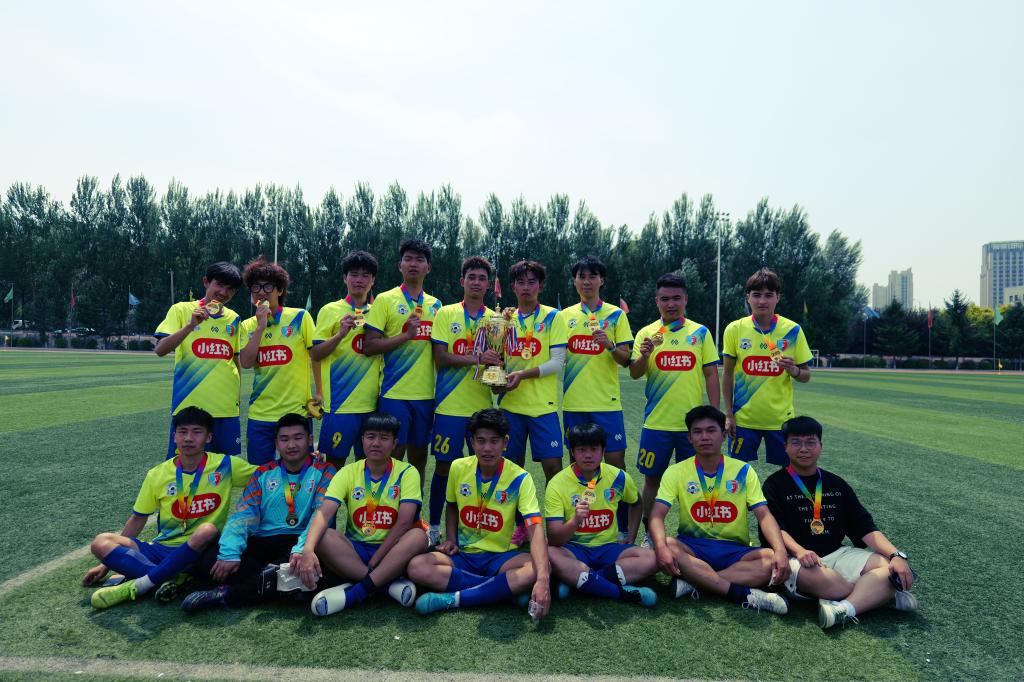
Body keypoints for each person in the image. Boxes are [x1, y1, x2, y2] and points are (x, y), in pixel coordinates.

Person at [82, 407, 258, 609]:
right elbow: (138, 518)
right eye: (183, 432)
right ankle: (172, 577)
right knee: (100, 542)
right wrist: (105, 564)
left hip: (202, 549)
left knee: (207, 530)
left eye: (197, 432)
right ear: (174, 436)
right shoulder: (157, 474)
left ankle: (145, 581)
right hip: (162, 548)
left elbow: (266, 476)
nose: (188, 438)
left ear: (209, 437)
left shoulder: (226, 465)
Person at [761, 416, 919, 629]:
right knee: (839, 584)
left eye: (810, 442)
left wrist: (895, 555)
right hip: (797, 557)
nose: (804, 449)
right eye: (796, 442)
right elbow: (775, 528)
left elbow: (865, 526)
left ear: (821, 446)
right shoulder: (774, 484)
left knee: (889, 568)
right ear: (785, 447)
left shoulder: (835, 483)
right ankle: (879, 595)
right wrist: (799, 551)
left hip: (837, 553)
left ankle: (843, 609)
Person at [179, 413, 336, 611]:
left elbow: (320, 515)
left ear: (310, 440)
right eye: (284, 439)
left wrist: (301, 548)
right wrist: (230, 553)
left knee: (314, 566)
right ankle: (278, 583)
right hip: (264, 541)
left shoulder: (325, 471)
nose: (291, 445)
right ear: (276, 443)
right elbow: (243, 515)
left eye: (298, 438)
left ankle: (229, 594)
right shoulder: (263, 472)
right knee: (211, 558)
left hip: (300, 542)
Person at [407, 408, 551, 618]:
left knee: (537, 569)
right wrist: (452, 538)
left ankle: (453, 599)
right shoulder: (458, 467)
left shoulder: (520, 478)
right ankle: (500, 590)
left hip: (501, 558)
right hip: (464, 555)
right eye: (481, 441)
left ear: (505, 443)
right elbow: (452, 505)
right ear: (472, 442)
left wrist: (543, 580)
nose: (487, 448)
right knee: (417, 567)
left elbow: (535, 527)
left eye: (494, 441)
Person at [647, 406, 790, 615]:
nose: (704, 437)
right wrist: (660, 547)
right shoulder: (676, 471)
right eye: (697, 432)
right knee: (665, 544)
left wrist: (780, 550)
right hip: (693, 547)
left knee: (770, 559)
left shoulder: (743, 470)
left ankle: (696, 581)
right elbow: (657, 515)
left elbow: (764, 515)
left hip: (734, 550)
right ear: (689, 438)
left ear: (723, 435)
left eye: (711, 430)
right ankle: (742, 594)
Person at [298, 412, 426, 615]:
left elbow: (404, 522)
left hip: (392, 550)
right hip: (356, 550)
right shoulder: (348, 472)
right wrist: (307, 549)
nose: (376, 443)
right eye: (371, 437)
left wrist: (377, 559)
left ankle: (356, 593)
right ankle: (386, 585)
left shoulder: (407, 472)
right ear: (362, 440)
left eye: (384, 438)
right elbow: (324, 513)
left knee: (418, 536)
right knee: (323, 536)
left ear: (394, 444)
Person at [630, 273, 720, 546]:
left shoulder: (700, 332)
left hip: (692, 428)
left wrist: (714, 416)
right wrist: (644, 355)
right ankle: (649, 534)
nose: (671, 304)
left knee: (696, 480)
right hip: (657, 423)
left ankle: (693, 536)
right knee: (652, 481)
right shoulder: (646, 333)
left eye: (676, 298)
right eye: (665, 299)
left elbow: (711, 374)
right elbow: (635, 373)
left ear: (685, 300)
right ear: (657, 301)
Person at [426, 256, 499, 545]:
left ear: (488, 284)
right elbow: (441, 358)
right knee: (444, 468)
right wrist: (477, 358)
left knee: (484, 469)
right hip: (449, 408)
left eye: (482, 278)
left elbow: (497, 364)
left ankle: (479, 529)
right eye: (472, 277)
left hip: (481, 409)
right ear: (462, 281)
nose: (477, 283)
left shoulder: (495, 319)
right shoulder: (446, 313)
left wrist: (498, 372)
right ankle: (434, 527)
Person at [545, 423, 657, 606]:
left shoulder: (618, 477)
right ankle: (619, 592)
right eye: (581, 450)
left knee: (653, 559)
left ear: (603, 450)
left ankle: (578, 580)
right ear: (572, 452)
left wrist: (631, 535)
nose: (588, 455)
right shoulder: (557, 484)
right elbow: (554, 539)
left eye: (594, 449)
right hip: (574, 550)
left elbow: (636, 503)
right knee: (548, 553)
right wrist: (575, 521)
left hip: (608, 549)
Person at [561, 255, 633, 539]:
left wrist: (611, 345)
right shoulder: (563, 316)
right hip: (574, 404)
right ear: (574, 281)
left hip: (607, 405)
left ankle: (622, 528)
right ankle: (577, 528)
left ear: (601, 280)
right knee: (577, 469)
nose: (587, 281)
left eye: (593, 276)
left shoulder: (616, 315)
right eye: (582, 276)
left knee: (616, 466)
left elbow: (626, 360)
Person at [362, 238, 441, 484]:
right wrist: (405, 336)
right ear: (400, 266)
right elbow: (369, 346)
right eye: (408, 259)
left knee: (419, 458)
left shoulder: (436, 305)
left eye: (419, 260)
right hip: (394, 394)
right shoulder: (385, 300)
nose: (413, 264)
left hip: (425, 395)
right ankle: (388, 501)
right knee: (392, 455)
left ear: (428, 267)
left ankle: (414, 504)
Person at [721, 268, 812, 465]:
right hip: (743, 420)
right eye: (756, 295)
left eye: (769, 295)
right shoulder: (734, 329)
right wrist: (728, 414)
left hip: (781, 421)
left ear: (778, 297)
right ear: (748, 297)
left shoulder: (793, 330)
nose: (762, 301)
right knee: (739, 473)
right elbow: (727, 375)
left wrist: (794, 370)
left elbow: (806, 375)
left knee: (787, 475)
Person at [154, 261, 244, 458]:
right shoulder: (181, 310)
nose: (224, 292)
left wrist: (237, 398)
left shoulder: (234, 319)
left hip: (226, 409)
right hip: (189, 410)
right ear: (206, 282)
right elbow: (160, 349)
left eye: (230, 288)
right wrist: (189, 326)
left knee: (224, 469)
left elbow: (235, 360)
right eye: (220, 284)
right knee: (184, 468)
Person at [238, 256, 322, 465]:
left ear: (280, 290)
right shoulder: (247, 325)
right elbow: (246, 362)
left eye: (268, 286)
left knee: (301, 473)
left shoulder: (300, 317)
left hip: (296, 413)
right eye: (256, 287)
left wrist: (319, 392)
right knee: (260, 473)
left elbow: (316, 357)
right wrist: (260, 327)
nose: (261, 292)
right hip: (260, 415)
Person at [310, 250, 382, 469]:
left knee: (369, 466)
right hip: (340, 406)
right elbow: (316, 354)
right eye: (354, 274)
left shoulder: (379, 312)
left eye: (365, 275)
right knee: (333, 466)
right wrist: (340, 334)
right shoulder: (330, 310)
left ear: (373, 280)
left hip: (372, 405)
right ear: (344, 278)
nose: (359, 280)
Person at [497, 259, 567, 483]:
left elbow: (557, 362)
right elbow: (498, 358)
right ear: (513, 287)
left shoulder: (553, 317)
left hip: (543, 407)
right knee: (511, 470)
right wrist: (495, 378)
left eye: (531, 282)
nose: (526, 287)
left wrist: (522, 375)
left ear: (541, 286)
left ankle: (555, 509)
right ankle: (516, 509)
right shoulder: (505, 319)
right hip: (511, 406)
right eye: (520, 282)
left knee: (554, 469)